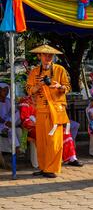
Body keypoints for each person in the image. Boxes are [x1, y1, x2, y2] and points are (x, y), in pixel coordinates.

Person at [26, 44, 72, 178]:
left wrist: (59, 86)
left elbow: (67, 87)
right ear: (39, 56)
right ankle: (43, 167)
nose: (48, 57)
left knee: (54, 141)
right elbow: (29, 90)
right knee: (41, 141)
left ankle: (51, 168)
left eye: (50, 55)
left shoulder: (59, 69)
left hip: (56, 110)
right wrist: (39, 84)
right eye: (45, 55)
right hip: (41, 110)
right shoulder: (34, 72)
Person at [19, 95, 83, 167]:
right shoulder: (25, 102)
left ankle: (71, 158)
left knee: (64, 131)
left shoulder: (44, 99)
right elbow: (24, 120)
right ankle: (49, 162)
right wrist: (39, 124)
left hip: (47, 126)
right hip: (32, 128)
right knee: (49, 134)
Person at [0, 81, 21, 152]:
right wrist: (6, 122)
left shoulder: (8, 100)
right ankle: (17, 147)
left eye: (7, 91)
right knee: (11, 129)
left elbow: (15, 111)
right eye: (4, 90)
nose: (6, 92)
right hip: (2, 123)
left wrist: (9, 121)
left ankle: (6, 127)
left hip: (7, 122)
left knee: (18, 112)